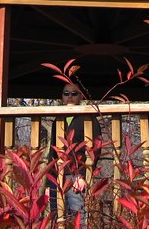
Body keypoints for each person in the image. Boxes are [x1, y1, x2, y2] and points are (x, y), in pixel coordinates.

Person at [47, 83, 101, 227]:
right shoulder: (57, 121)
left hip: (75, 176)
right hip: (57, 177)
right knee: (56, 216)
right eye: (66, 93)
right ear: (62, 96)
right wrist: (48, 182)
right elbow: (52, 152)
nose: (70, 96)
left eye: (74, 93)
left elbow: (95, 149)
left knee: (79, 218)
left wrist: (82, 175)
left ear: (81, 96)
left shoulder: (89, 120)